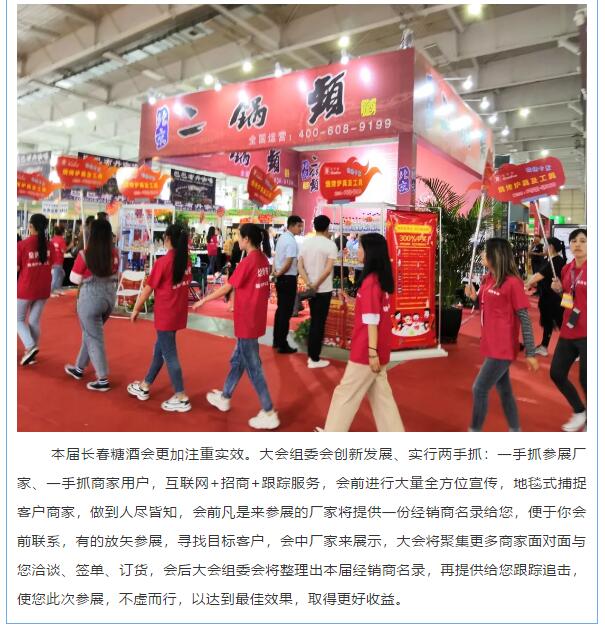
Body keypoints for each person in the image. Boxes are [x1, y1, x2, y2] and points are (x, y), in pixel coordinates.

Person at [193, 224, 280, 430]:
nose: (237, 240)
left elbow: (227, 286)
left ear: (246, 239)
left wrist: (203, 300)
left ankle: (268, 411)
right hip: (254, 319)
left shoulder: (248, 262)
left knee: (253, 367)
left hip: (246, 321)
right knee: (238, 361)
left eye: (239, 237)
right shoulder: (262, 259)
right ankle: (225, 396)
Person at [320, 233, 404, 432]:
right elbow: (374, 312)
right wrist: (352, 300)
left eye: (360, 248)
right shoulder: (380, 280)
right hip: (380, 347)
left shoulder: (370, 282)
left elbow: (371, 321)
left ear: (370, 252)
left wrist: (371, 353)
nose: (356, 251)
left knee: (345, 394)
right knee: (382, 398)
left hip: (366, 350)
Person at [464, 238, 539, 432]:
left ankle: (474, 431)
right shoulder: (488, 279)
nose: (482, 254)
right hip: (490, 344)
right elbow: (485, 307)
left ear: (495, 255)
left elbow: (525, 319)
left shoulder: (513, 283)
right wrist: (474, 297)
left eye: (485, 251)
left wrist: (531, 353)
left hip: (503, 348)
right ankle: (515, 430)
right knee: (504, 391)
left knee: (479, 388)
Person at [127, 223, 192, 413]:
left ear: (168, 238)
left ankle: (181, 396)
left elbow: (148, 289)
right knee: (160, 350)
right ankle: (145, 385)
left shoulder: (163, 263)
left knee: (170, 355)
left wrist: (136, 308)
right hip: (177, 314)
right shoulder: (186, 261)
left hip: (165, 315)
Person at [64, 219, 119, 392]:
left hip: (90, 298)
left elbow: (74, 278)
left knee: (93, 337)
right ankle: (79, 368)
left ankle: (102, 378)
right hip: (109, 298)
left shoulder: (85, 254)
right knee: (90, 334)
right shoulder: (115, 253)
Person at [550, 228, 587, 432]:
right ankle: (580, 411)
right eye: (574, 241)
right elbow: (568, 298)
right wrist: (559, 290)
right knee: (556, 373)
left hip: (590, 333)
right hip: (568, 329)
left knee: (587, 379)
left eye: (582, 240)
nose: (577, 244)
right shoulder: (566, 269)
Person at [298, 215, 338, 369]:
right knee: (319, 323)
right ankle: (314, 358)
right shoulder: (330, 245)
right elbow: (327, 270)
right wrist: (315, 285)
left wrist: (309, 283)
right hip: (323, 290)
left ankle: (312, 355)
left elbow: (300, 266)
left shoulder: (306, 243)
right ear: (327, 227)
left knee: (314, 319)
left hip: (311, 289)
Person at [17, 213, 54, 366]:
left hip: (26, 288)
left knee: (17, 319)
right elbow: (51, 264)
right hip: (43, 288)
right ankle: (31, 353)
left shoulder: (22, 245)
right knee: (33, 321)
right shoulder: (49, 245)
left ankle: (30, 346)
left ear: (31, 226)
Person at [525, 237, 566, 356]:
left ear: (551, 247)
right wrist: (532, 283)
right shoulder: (549, 259)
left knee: (561, 323)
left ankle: (576, 349)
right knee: (548, 322)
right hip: (546, 297)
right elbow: (540, 276)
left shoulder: (556, 261)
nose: (543, 247)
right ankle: (544, 346)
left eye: (544, 245)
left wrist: (526, 284)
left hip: (554, 298)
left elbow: (539, 275)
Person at [272, 215, 304, 353]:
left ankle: (276, 340)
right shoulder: (291, 241)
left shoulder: (282, 238)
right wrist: (279, 273)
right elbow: (289, 261)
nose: (301, 229)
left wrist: (275, 272)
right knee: (285, 312)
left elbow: (276, 258)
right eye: (299, 226)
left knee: (280, 310)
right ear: (292, 225)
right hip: (288, 278)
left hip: (281, 278)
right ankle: (282, 344)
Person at [50, 225, 67, 297]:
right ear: (62, 232)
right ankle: (51, 291)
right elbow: (63, 251)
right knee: (55, 277)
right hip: (58, 261)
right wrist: (70, 245)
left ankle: (57, 289)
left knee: (62, 274)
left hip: (53, 261)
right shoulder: (62, 240)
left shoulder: (53, 239)